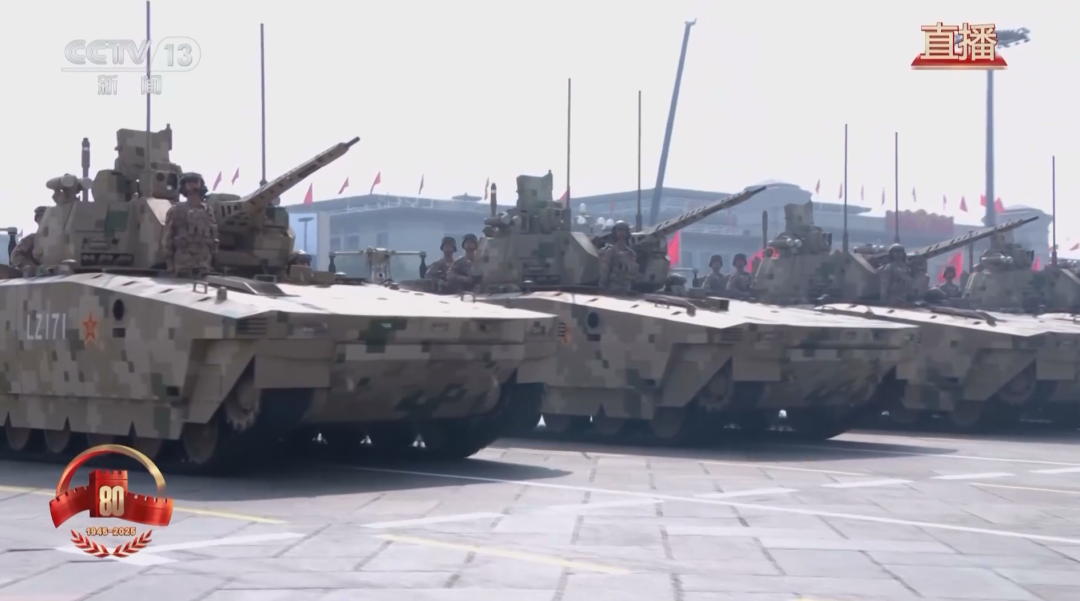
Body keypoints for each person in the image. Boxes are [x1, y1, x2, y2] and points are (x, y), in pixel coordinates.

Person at [162, 172, 219, 278]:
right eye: (189, 182)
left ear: (201, 184)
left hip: (204, 264)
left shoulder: (208, 211)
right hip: (183, 265)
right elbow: (168, 240)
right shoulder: (176, 210)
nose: (192, 185)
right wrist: (170, 265)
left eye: (195, 182)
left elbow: (213, 238)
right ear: (184, 186)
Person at [597, 221, 639, 292]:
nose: (621, 233)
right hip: (613, 289)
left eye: (623, 230)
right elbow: (605, 271)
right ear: (615, 233)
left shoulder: (631, 253)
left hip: (626, 289)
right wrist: (602, 287)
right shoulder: (610, 251)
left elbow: (633, 273)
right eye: (619, 230)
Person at [11, 206, 46, 274]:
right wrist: (33, 268)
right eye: (40, 219)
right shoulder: (32, 238)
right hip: (36, 276)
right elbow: (15, 255)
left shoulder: (59, 238)